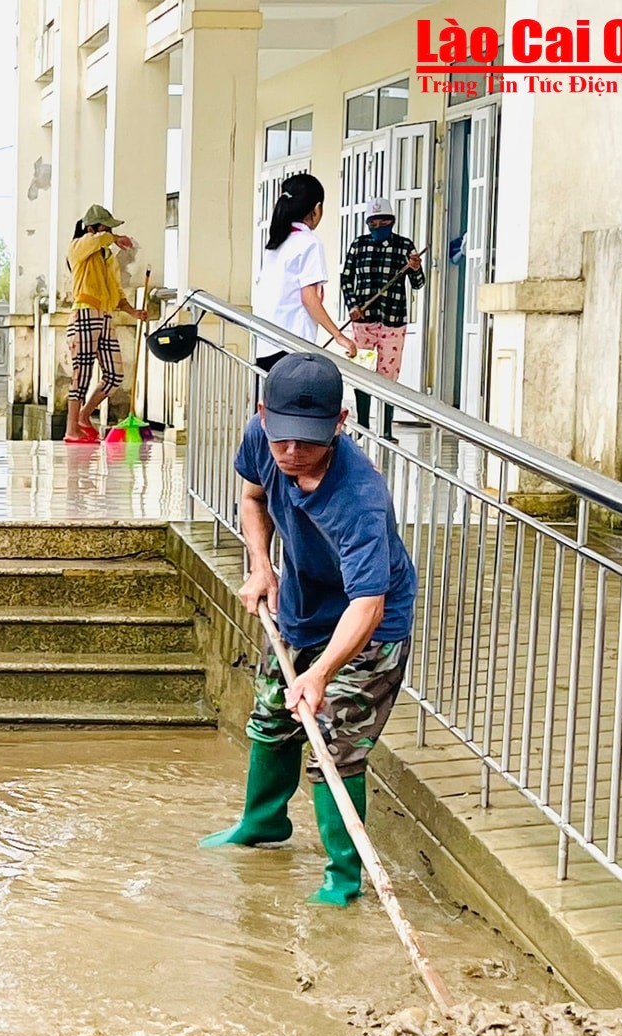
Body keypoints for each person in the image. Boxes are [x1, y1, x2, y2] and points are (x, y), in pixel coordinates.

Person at [199, 353, 416, 907]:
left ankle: (343, 878)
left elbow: (368, 604)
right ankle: (262, 823)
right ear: (262, 414)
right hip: (301, 606)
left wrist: (320, 674)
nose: (292, 453)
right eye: (282, 439)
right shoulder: (260, 436)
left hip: (370, 628)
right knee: (270, 713)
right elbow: (251, 498)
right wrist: (261, 566)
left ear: (340, 423)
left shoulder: (360, 496)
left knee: (334, 747)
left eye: (310, 441)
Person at [340, 197, 425, 440]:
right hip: (363, 321)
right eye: (373, 222)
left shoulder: (405, 247)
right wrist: (353, 306)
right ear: (368, 224)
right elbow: (346, 279)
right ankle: (364, 426)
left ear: (392, 222)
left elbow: (418, 284)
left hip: (393, 320)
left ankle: (386, 429)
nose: (378, 225)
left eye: (383, 221)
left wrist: (416, 268)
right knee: (363, 371)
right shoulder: (359, 245)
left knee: (388, 375)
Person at [63, 204, 147, 444]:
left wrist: (132, 311)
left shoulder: (107, 257)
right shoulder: (78, 248)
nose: (108, 233)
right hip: (84, 314)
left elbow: (115, 290)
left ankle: (83, 416)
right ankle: (72, 429)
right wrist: (114, 237)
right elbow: (96, 241)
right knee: (82, 374)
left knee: (114, 374)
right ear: (91, 228)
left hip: (105, 316)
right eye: (105, 228)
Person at [254, 174, 356, 372]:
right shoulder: (310, 243)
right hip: (291, 345)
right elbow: (309, 298)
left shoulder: (276, 243)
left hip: (265, 345)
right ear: (317, 209)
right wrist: (338, 335)